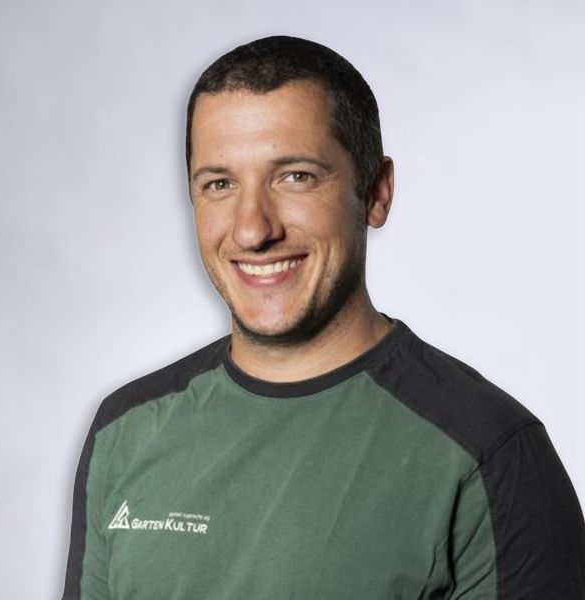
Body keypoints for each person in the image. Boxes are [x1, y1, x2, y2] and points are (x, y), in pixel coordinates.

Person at [62, 36, 585, 599]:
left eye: (296, 177)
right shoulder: (125, 432)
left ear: (376, 192)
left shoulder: (488, 452)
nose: (252, 229)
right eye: (219, 184)